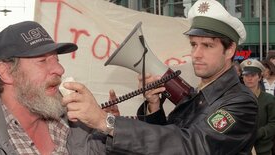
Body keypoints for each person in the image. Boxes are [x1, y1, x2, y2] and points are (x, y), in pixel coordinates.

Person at [62, 0, 258, 154]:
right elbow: (165, 143)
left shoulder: (240, 103)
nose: (196, 54)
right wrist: (154, 106)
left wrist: (107, 122)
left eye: (207, 45)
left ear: (230, 49)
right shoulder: (199, 94)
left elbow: (191, 147)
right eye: (193, 44)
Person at [0, 21, 106, 154]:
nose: (60, 69)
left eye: (57, 60)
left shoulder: (75, 125)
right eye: (42, 61)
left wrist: (107, 126)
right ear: (6, 72)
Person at [240, 59, 275, 155]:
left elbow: (273, 124)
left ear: (259, 77)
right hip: (241, 150)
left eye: (253, 75)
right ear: (242, 77)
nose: (249, 78)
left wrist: (258, 133)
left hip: (263, 150)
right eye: (246, 75)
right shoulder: (236, 99)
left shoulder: (269, 99)